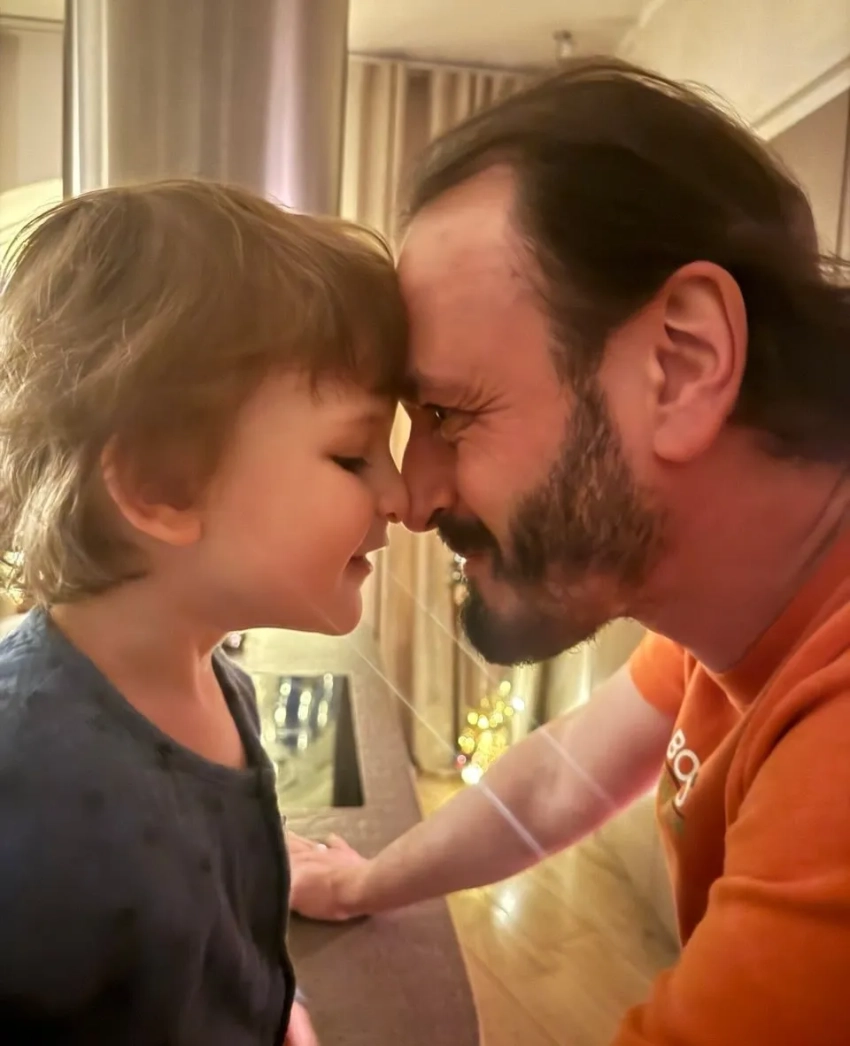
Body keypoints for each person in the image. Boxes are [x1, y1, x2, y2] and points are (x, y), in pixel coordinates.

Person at [288, 57, 850, 1045]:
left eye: (449, 412)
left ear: (681, 364)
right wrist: (361, 883)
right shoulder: (744, 601)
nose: (412, 499)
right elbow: (555, 781)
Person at [0, 180, 408, 1044]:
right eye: (352, 456)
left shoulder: (215, 677)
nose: (402, 497)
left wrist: (271, 1006)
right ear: (162, 484)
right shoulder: (32, 786)